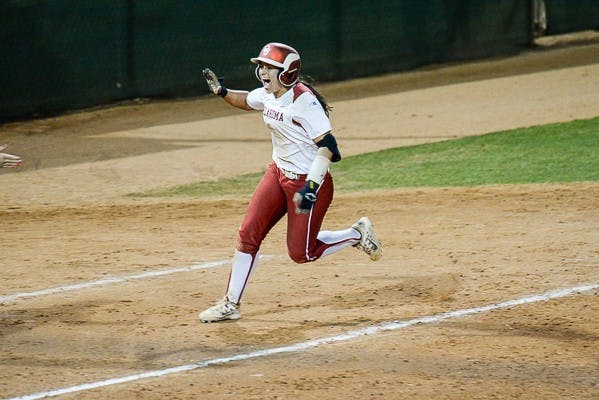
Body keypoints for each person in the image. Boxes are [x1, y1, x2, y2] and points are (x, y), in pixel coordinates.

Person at [199, 42, 382, 323]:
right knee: (248, 234)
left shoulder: (303, 102)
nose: (262, 72)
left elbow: (330, 147)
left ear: (287, 72)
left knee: (302, 253)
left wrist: (310, 186)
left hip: (309, 184)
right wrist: (222, 92)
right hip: (278, 173)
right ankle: (230, 303)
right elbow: (248, 100)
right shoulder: (271, 94)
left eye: (269, 68)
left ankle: (357, 234)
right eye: (261, 66)